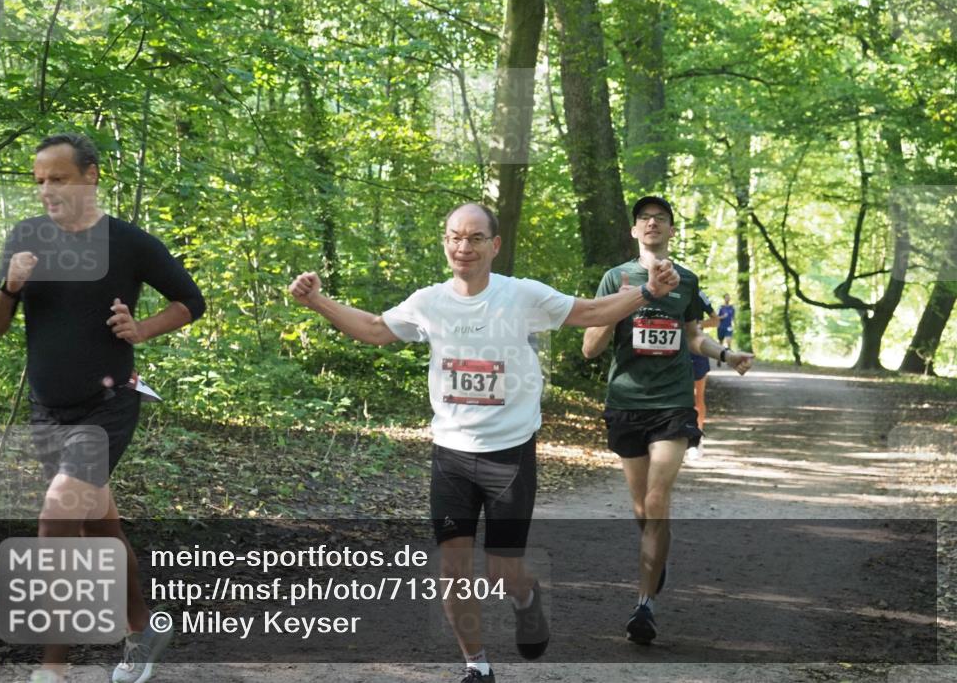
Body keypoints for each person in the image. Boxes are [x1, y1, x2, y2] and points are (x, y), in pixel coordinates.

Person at [289, 202, 680, 683]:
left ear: (494, 246)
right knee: (453, 568)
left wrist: (646, 292)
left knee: (502, 572)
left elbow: (592, 312)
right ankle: (477, 666)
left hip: (509, 453)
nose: (463, 246)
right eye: (455, 236)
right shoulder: (429, 301)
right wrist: (316, 302)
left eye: (475, 238)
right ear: (445, 243)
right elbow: (374, 330)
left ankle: (526, 597)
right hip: (451, 455)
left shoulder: (521, 296)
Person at [0, 133, 205, 683]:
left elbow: (191, 301)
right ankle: (141, 628)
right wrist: (9, 288)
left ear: (91, 175)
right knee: (100, 526)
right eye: (39, 182)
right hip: (48, 412)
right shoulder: (26, 239)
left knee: (58, 517)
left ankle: (52, 669)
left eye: (58, 178)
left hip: (108, 404)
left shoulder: (126, 242)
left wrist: (141, 328)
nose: (47, 190)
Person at [582, 196, 753, 645]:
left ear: (672, 231)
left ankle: (644, 604)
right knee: (642, 509)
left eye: (660, 219)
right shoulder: (616, 278)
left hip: (674, 403)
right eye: (644, 219)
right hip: (626, 402)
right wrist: (621, 304)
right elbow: (589, 348)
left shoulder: (686, 281)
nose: (652, 224)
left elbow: (693, 336)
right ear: (635, 232)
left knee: (657, 499)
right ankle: (656, 560)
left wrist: (727, 354)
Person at [690, 290, 717, 444]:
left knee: (697, 396)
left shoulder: (698, 294)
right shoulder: (661, 289)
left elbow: (715, 320)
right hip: (673, 349)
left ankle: (697, 438)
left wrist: (697, 324)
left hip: (696, 347)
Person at [717, 293, 735, 366]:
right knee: (720, 344)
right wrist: (723, 317)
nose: (728, 299)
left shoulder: (732, 308)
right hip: (721, 327)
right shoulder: (720, 308)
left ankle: (729, 360)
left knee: (729, 343)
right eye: (726, 297)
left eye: (729, 297)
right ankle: (719, 359)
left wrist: (734, 324)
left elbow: (733, 318)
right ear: (724, 298)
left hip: (729, 327)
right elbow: (716, 318)